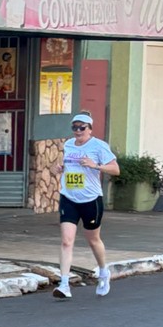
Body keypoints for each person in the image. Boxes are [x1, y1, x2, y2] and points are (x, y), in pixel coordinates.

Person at [53, 111, 119, 300]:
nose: (78, 131)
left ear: (90, 129)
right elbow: (68, 166)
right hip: (69, 197)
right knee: (67, 240)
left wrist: (95, 165)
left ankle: (104, 272)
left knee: (93, 240)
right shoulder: (68, 145)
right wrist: (59, 168)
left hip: (91, 200)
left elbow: (115, 169)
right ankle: (64, 284)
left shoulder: (99, 146)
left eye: (82, 127)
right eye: (75, 127)